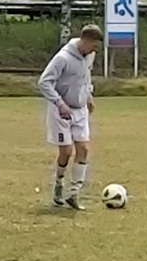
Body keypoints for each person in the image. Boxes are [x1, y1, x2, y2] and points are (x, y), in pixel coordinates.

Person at [40, 24, 103, 210]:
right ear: (85, 40)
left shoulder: (89, 56)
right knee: (66, 152)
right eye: (93, 45)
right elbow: (44, 82)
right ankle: (59, 184)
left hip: (80, 108)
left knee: (83, 148)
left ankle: (74, 193)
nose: (95, 50)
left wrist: (88, 96)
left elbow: (85, 77)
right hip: (61, 110)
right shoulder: (63, 58)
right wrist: (60, 103)